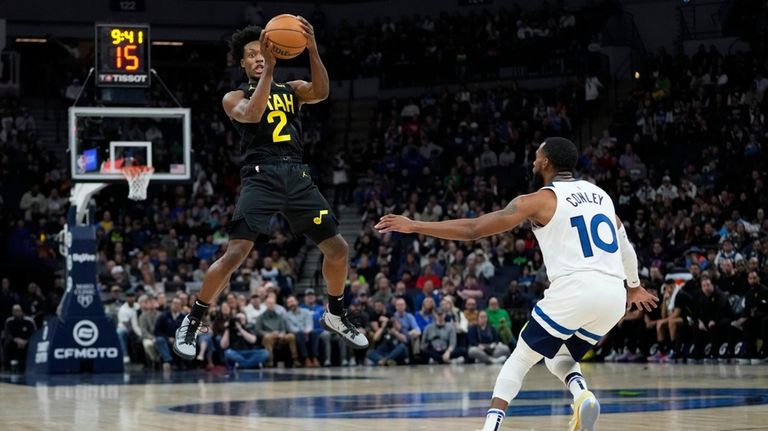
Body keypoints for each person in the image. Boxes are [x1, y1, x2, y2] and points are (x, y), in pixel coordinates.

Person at [376, 137, 658, 431]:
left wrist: (415, 225)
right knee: (559, 358)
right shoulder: (601, 196)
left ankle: (490, 427)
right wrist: (634, 286)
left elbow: (473, 230)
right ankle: (582, 396)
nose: (534, 161)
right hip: (614, 295)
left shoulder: (538, 200)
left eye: (537, 156)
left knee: (520, 359)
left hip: (576, 288)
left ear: (546, 162)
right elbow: (625, 245)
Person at [173, 20, 368, 360]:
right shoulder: (234, 96)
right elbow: (251, 115)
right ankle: (194, 319)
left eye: (262, 52)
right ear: (243, 64)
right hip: (261, 177)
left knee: (338, 249)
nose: (259, 57)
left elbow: (321, 92)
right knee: (235, 254)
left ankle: (335, 314)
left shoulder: (292, 90)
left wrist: (311, 48)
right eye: (252, 55)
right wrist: (269, 72)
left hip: (297, 175)